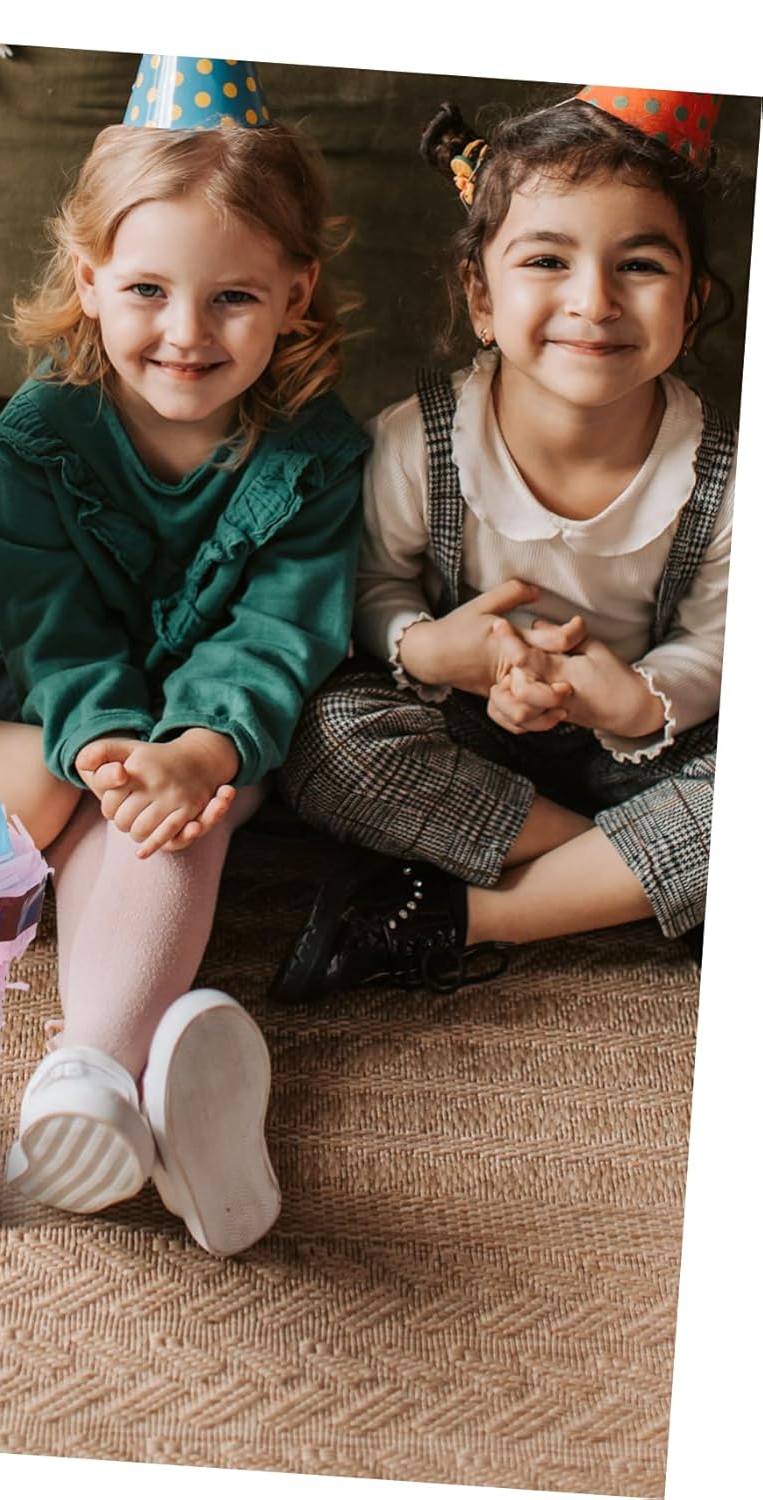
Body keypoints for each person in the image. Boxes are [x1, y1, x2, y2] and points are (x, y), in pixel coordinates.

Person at [0, 57, 369, 1255]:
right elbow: (48, 624)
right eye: (149, 290)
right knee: (73, 794)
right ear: (89, 279)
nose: (185, 334)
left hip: (226, 726)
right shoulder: (40, 436)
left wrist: (197, 749)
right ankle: (140, 1093)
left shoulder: (314, 453)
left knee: (184, 815)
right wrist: (113, 742)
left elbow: (281, 630)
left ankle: (88, 1069)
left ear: (296, 293)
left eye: (233, 298)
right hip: (63, 709)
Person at [273, 86, 734, 1004]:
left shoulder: (723, 475)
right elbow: (373, 582)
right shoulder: (422, 441)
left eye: (640, 265)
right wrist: (427, 648)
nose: (593, 301)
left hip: (643, 752)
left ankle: (463, 913)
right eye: (548, 260)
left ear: (692, 306)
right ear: (480, 296)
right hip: (468, 738)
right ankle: (627, 879)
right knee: (325, 739)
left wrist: (639, 700)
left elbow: (723, 639)